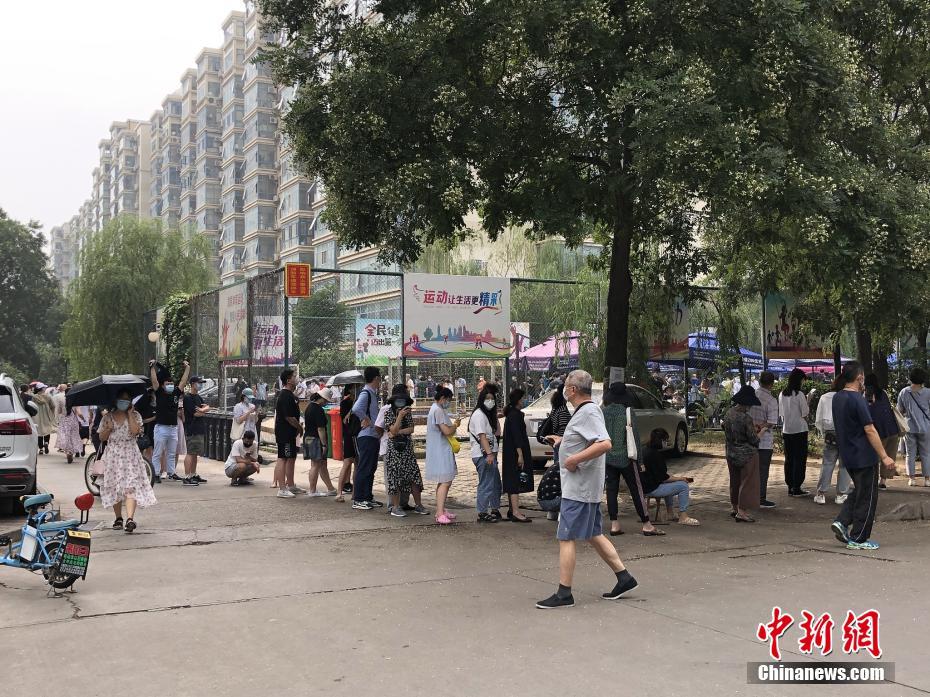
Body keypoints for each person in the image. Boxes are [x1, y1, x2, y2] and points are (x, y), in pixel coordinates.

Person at [536, 370, 638, 609]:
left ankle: (564, 593)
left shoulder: (589, 411)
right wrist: (563, 442)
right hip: (585, 488)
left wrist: (573, 459)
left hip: (579, 489)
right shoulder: (585, 411)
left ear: (572, 390)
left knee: (566, 537)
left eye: (566, 386)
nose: (563, 389)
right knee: (593, 534)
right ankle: (624, 578)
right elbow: (589, 441)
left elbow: (604, 443)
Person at [831, 362, 896, 551]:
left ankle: (842, 521)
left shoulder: (838, 397)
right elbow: (870, 429)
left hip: (848, 453)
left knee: (861, 490)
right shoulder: (857, 399)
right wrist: (884, 456)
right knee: (868, 497)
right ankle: (859, 537)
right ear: (859, 378)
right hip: (864, 455)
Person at [601, 382, 662, 536]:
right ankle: (646, 524)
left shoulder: (603, 412)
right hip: (626, 458)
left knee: (611, 490)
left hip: (608, 457)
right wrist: (640, 461)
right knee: (636, 490)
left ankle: (614, 524)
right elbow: (635, 439)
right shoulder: (628, 412)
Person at [97, 390, 157, 533]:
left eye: (127, 399)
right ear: (116, 400)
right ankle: (118, 518)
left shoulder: (135, 415)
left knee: (131, 485)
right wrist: (108, 429)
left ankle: (130, 519)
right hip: (113, 455)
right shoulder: (107, 417)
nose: (124, 402)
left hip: (131, 455)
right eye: (122, 399)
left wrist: (130, 414)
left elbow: (135, 432)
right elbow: (102, 438)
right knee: (114, 487)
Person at [383, 388, 427, 517]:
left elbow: (411, 429)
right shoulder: (388, 413)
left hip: (407, 450)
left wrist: (398, 432)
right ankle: (396, 507)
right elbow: (393, 429)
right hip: (394, 451)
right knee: (395, 478)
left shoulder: (408, 413)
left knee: (414, 476)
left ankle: (418, 505)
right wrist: (399, 417)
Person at [640, 428, 699, 525]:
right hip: (652, 488)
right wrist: (681, 478)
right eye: (666, 440)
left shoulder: (644, 450)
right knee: (683, 486)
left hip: (643, 486)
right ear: (661, 440)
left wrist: (674, 479)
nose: (667, 443)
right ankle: (683, 516)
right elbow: (664, 478)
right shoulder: (655, 455)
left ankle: (670, 513)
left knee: (672, 483)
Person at [723, 385, 762, 522]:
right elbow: (754, 440)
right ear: (747, 403)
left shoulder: (728, 413)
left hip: (731, 452)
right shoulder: (746, 418)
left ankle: (734, 507)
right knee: (747, 482)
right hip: (747, 455)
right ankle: (742, 511)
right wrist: (761, 431)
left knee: (734, 481)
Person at [150, 359, 190, 482]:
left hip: (173, 428)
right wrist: (152, 367)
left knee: (172, 453)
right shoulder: (159, 392)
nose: (170, 385)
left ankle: (171, 473)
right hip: (161, 427)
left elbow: (183, 381)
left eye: (172, 383)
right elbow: (154, 381)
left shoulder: (176, 393)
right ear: (163, 385)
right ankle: (156, 474)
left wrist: (187, 368)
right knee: (158, 452)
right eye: (168, 383)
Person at [813, 376, 852, 505]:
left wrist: (823, 432)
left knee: (827, 463)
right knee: (845, 465)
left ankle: (821, 493)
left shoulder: (824, 397)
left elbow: (818, 419)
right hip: (846, 433)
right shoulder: (849, 397)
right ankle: (841, 494)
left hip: (830, 434)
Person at [425, 386, 460, 524]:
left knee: (444, 480)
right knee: (445, 481)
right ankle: (439, 513)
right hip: (441, 450)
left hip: (441, 449)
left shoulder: (436, 409)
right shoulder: (438, 410)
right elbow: (446, 431)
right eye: (448, 400)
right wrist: (455, 425)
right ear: (443, 398)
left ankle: (441, 509)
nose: (448, 403)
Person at [469, 382, 502, 522]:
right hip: (483, 455)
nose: (490, 401)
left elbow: (495, 433)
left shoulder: (487, 415)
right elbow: (482, 436)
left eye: (492, 399)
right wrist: (489, 454)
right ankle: (482, 512)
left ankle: (494, 508)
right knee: (486, 484)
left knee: (495, 483)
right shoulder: (479, 415)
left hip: (490, 455)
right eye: (487, 398)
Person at [351, 367, 384, 510]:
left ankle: (367, 497)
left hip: (373, 436)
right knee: (364, 467)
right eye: (380, 378)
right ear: (376, 378)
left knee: (371, 468)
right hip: (366, 436)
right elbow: (356, 408)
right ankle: (359, 499)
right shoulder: (366, 393)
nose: (380, 381)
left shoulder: (372, 393)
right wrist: (367, 419)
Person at [501, 388, 534, 523]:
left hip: (510, 452)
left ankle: (512, 509)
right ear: (518, 400)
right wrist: (520, 454)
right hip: (515, 453)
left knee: (512, 479)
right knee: (515, 481)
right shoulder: (515, 415)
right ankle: (515, 511)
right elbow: (517, 436)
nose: (524, 401)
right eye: (522, 399)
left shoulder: (511, 414)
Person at [864, 373, 899, 492]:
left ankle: (872, 481)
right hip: (892, 429)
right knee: (889, 454)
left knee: (875, 456)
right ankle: (883, 481)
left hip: (878, 430)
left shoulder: (865, 395)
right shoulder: (883, 393)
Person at [897, 367, 930, 487]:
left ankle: (912, 479)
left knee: (910, 454)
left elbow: (899, 410)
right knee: (926, 453)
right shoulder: (928, 392)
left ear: (910, 378)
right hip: (925, 427)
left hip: (909, 427)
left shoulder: (904, 392)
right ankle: (927, 480)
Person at [779, 368, 810, 496]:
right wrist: (808, 400)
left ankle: (790, 486)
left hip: (787, 430)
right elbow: (805, 413)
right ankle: (797, 487)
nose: (803, 383)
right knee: (800, 459)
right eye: (802, 380)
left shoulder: (782, 394)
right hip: (800, 430)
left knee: (789, 459)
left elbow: (781, 414)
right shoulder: (800, 395)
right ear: (798, 380)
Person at [274, 368, 305, 498]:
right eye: (294, 376)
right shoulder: (285, 396)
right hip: (284, 433)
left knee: (291, 457)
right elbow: (289, 417)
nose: (296, 378)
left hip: (291, 433)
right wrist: (300, 428)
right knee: (283, 458)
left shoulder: (291, 395)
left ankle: (291, 485)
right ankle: (282, 489)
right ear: (288, 380)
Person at [750, 371, 779, 508]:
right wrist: (760, 426)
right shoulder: (771, 400)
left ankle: (749, 497)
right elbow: (772, 422)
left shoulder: (752, 395)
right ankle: (760, 499)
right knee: (762, 471)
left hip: (749, 439)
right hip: (764, 442)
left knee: (750, 470)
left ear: (760, 381)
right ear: (772, 384)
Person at [303, 387, 338, 496]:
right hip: (316, 439)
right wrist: (324, 444)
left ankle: (330, 488)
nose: (326, 402)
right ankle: (312, 490)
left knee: (320, 464)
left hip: (308, 437)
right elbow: (321, 429)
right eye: (326, 400)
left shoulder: (309, 407)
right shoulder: (318, 410)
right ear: (322, 398)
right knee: (316, 465)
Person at [182, 377, 210, 485]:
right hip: (192, 429)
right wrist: (204, 411)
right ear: (193, 384)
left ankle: (193, 474)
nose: (200, 385)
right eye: (199, 383)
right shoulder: (188, 398)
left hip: (199, 429)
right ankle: (187, 476)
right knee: (190, 452)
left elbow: (206, 407)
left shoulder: (198, 397)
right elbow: (195, 413)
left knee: (195, 453)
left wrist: (203, 410)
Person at [538, 383, 571, 466]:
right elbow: (563, 428)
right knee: (560, 466)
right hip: (560, 443)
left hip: (555, 443)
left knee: (557, 463)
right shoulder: (562, 410)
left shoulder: (555, 409)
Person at [337, 387, 358, 502]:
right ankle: (339, 492)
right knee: (347, 462)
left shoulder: (360, 400)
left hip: (358, 435)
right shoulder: (345, 403)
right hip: (349, 435)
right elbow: (345, 420)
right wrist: (354, 407)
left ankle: (355, 494)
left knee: (357, 464)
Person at [56, 391, 83, 464]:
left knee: (65, 437)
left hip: (64, 421)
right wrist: (83, 419)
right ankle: (71, 452)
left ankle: (68, 451)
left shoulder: (61, 401)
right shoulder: (75, 402)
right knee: (73, 437)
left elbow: (59, 411)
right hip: (73, 421)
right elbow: (79, 413)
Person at [31, 384, 55, 455]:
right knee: (47, 430)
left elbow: (32, 406)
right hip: (47, 415)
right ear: (42, 389)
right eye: (44, 387)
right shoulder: (48, 396)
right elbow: (53, 406)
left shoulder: (34, 397)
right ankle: (46, 443)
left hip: (37, 416)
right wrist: (52, 413)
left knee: (39, 432)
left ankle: (41, 449)